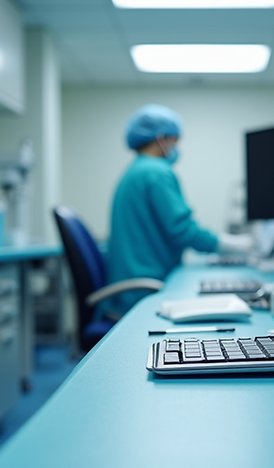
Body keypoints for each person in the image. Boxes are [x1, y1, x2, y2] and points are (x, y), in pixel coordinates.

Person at [106, 104, 253, 315]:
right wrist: (236, 245)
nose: (176, 148)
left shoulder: (135, 170)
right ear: (161, 139)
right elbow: (183, 230)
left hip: (132, 285)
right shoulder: (157, 172)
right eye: (175, 141)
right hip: (144, 290)